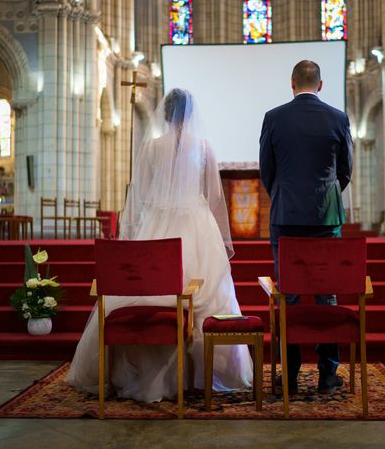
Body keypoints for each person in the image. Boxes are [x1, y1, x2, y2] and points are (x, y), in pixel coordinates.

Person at [68, 88, 253, 402]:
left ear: (165, 114)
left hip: (156, 226)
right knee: (206, 297)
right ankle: (202, 376)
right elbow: (211, 194)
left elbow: (140, 194)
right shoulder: (205, 147)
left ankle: (149, 376)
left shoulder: (152, 148)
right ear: (191, 115)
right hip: (196, 226)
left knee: (147, 293)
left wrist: (158, 212)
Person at [259, 60, 353, 394]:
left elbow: (266, 171)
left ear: (292, 83)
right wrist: (325, 197)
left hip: (285, 218)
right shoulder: (338, 118)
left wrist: (284, 196)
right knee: (327, 294)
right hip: (326, 218)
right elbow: (345, 171)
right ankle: (328, 374)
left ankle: (291, 375)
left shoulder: (274, 118)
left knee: (289, 296)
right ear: (321, 85)